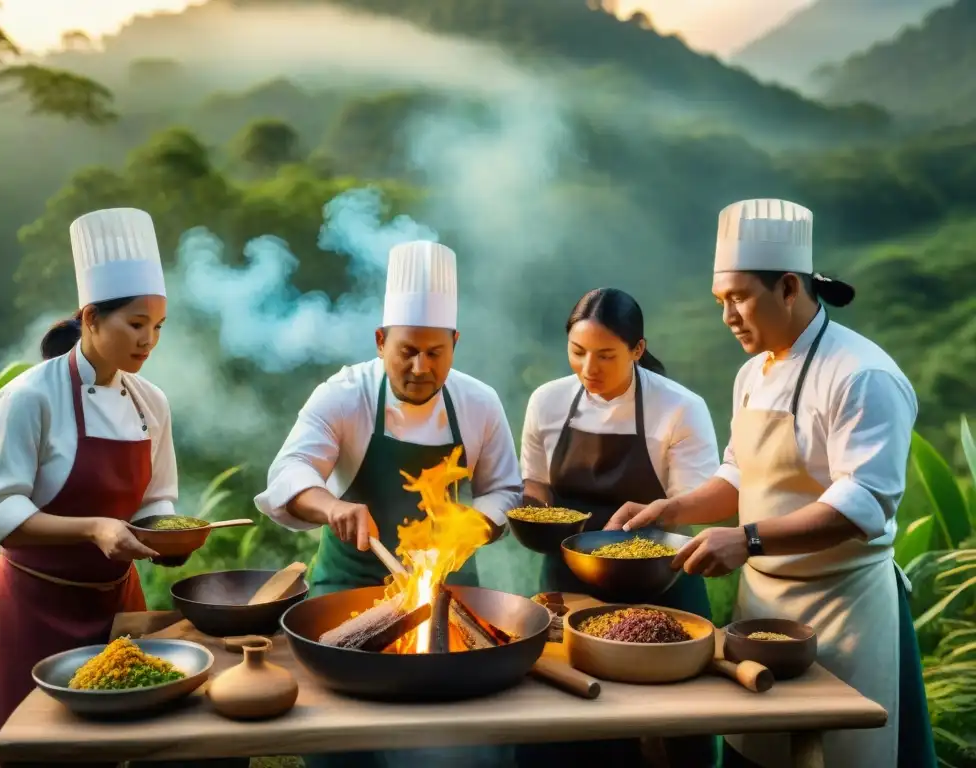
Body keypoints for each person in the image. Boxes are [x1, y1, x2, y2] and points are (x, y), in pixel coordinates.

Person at [608, 198, 937, 768]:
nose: (727, 317)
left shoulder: (863, 376)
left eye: (738, 298)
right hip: (760, 609)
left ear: (788, 286)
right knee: (755, 753)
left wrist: (747, 539)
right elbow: (740, 473)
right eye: (720, 302)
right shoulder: (751, 372)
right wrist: (671, 508)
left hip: (844, 611)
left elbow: (861, 503)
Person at [255, 240, 522, 768]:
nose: (421, 367)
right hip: (350, 590)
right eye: (407, 351)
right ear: (380, 341)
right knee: (345, 737)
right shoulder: (344, 394)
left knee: (463, 735)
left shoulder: (478, 403)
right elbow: (289, 472)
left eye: (435, 352)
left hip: (446, 591)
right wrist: (332, 508)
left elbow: (504, 493)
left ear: (454, 344)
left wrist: (471, 524)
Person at [0, 208, 183, 768]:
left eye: (157, 326)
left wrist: (168, 536)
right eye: (135, 324)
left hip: (116, 609)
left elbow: (156, 499)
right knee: (32, 750)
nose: (148, 340)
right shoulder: (29, 398)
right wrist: (95, 528)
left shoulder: (150, 402)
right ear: (90, 318)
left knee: (114, 749)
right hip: (34, 606)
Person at [514, 287, 720, 768]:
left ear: (638, 349)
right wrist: (527, 511)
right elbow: (537, 486)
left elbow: (698, 503)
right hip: (568, 589)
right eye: (577, 352)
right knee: (564, 732)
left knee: (672, 738)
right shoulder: (547, 402)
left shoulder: (679, 408)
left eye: (606, 355)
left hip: (660, 584)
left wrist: (655, 512)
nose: (589, 369)